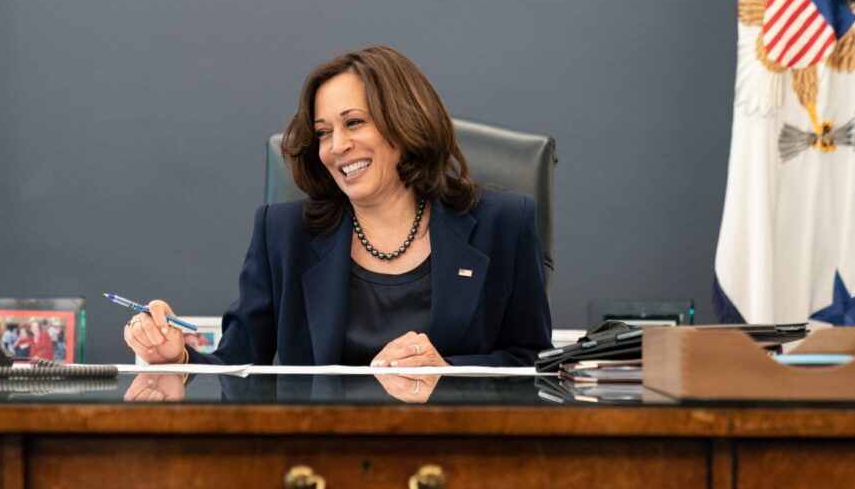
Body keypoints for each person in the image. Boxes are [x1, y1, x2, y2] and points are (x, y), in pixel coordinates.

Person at [124, 45, 551, 367]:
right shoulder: (283, 234)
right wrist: (176, 359)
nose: (337, 147)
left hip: (455, 457)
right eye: (324, 132)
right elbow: (238, 369)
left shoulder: (504, 224)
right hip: (319, 460)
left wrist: (448, 373)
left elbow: (535, 365)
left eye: (353, 123)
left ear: (404, 124)